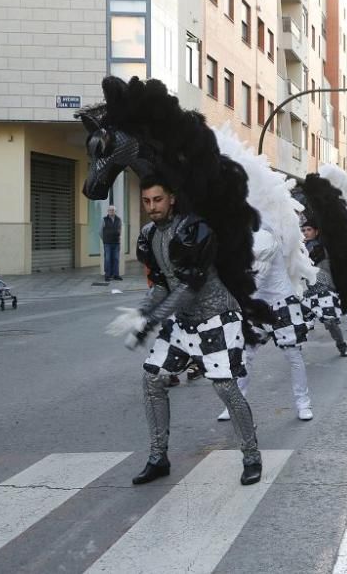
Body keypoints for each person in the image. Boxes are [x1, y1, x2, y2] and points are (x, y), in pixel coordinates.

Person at [112, 177, 262, 486]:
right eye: (147, 201)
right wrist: (140, 312)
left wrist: (151, 321)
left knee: (224, 387)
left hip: (217, 316)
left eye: (157, 200)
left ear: (172, 200)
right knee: (152, 379)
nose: (152, 207)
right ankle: (158, 457)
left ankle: (251, 456)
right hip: (183, 321)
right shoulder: (150, 236)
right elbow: (163, 286)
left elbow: (189, 288)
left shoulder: (193, 231)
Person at [218, 227, 314, 422]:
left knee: (293, 355)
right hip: (256, 306)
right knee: (245, 354)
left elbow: (256, 278)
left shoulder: (264, 236)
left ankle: (303, 404)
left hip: (280, 304)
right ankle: (236, 403)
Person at [302, 221, 347, 357]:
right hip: (309, 290)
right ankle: (293, 352)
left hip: (326, 289)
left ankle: (341, 345)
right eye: (303, 230)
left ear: (316, 231)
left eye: (309, 229)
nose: (306, 232)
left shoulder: (322, 246)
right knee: (292, 318)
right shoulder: (302, 247)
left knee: (330, 322)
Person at [101, 205, 123, 281]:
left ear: (115, 211)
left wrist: (119, 238)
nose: (111, 211)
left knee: (116, 259)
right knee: (107, 259)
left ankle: (116, 275)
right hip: (107, 243)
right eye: (110, 210)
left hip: (116, 243)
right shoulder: (104, 219)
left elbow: (120, 229)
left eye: (113, 210)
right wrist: (104, 239)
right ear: (108, 211)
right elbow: (100, 231)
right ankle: (107, 275)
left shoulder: (118, 219)